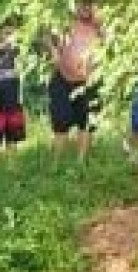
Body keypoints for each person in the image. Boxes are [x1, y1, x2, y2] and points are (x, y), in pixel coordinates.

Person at [46, 4, 104, 159]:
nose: (85, 7)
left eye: (89, 3)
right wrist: (53, 52)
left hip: (89, 81)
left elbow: (113, 44)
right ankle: (56, 162)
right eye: (81, 3)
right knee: (60, 119)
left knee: (86, 121)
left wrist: (101, 22)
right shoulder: (65, 22)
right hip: (62, 79)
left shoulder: (100, 25)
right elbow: (49, 38)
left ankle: (81, 162)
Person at [0, 17, 27, 157]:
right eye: (6, 33)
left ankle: (12, 165)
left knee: (13, 130)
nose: (9, 36)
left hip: (14, 96)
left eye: (12, 33)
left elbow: (22, 72)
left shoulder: (18, 51)